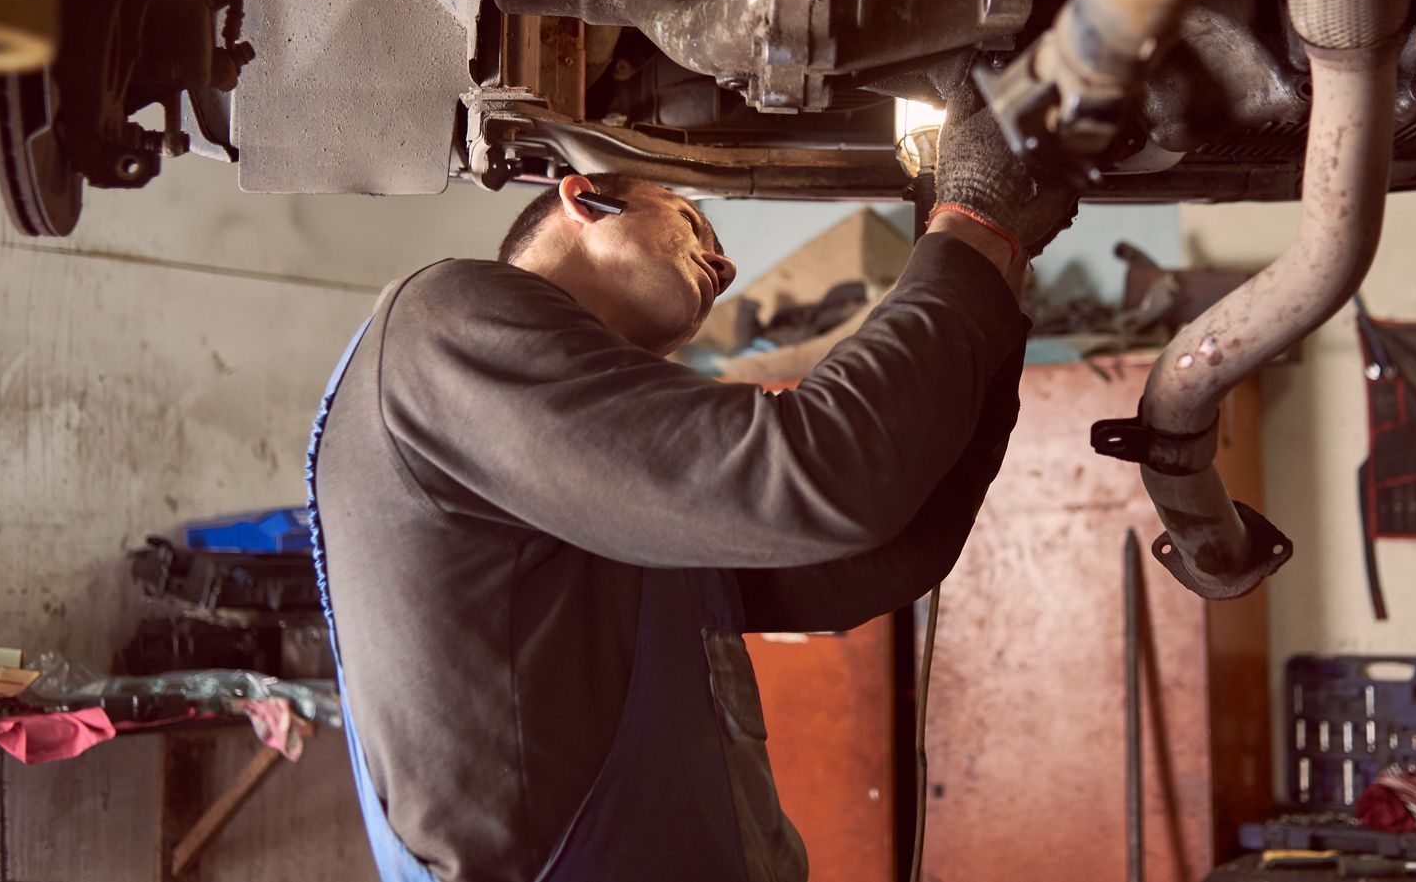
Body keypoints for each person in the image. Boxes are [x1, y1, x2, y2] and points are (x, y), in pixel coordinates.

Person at [305, 84, 1077, 882]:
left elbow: (880, 549)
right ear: (583, 196)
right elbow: (824, 474)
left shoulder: (591, 476)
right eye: (691, 220)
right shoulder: (447, 320)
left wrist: (994, 267)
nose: (729, 263)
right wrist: (973, 224)